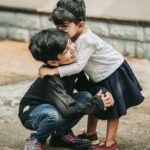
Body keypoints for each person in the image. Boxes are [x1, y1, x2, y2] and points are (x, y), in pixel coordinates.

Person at [38, 0, 144, 149]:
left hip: (113, 73)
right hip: (99, 75)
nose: (60, 30)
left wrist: (53, 70)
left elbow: (78, 66)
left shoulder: (86, 40)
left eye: (65, 27)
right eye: (58, 26)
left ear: (80, 25)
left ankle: (110, 143)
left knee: (112, 107)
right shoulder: (73, 38)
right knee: (94, 101)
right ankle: (91, 134)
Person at [18, 28, 114, 150]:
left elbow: (86, 88)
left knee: (86, 97)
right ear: (53, 62)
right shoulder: (50, 80)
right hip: (32, 112)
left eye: (70, 43)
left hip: (58, 105)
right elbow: (68, 109)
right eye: (66, 51)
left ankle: (60, 135)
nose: (73, 49)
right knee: (54, 115)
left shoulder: (72, 68)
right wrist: (98, 103)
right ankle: (36, 139)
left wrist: (103, 92)